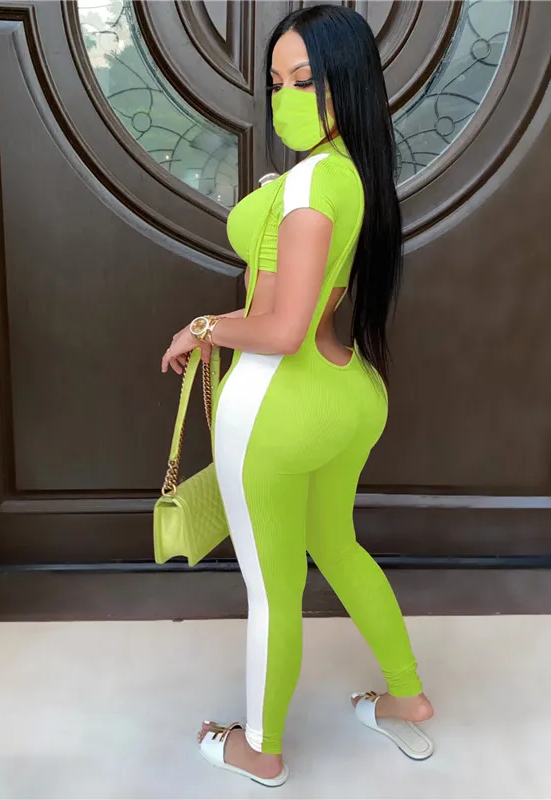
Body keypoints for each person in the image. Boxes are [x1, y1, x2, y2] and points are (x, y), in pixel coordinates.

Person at [161, 4, 433, 787]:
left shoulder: (314, 179)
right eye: (277, 82)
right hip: (349, 394)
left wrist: (204, 326)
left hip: (278, 410)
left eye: (305, 80)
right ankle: (407, 696)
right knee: (337, 546)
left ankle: (261, 750)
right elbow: (307, 301)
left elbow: (281, 329)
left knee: (273, 592)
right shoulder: (353, 171)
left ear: (346, 81)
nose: (286, 98)